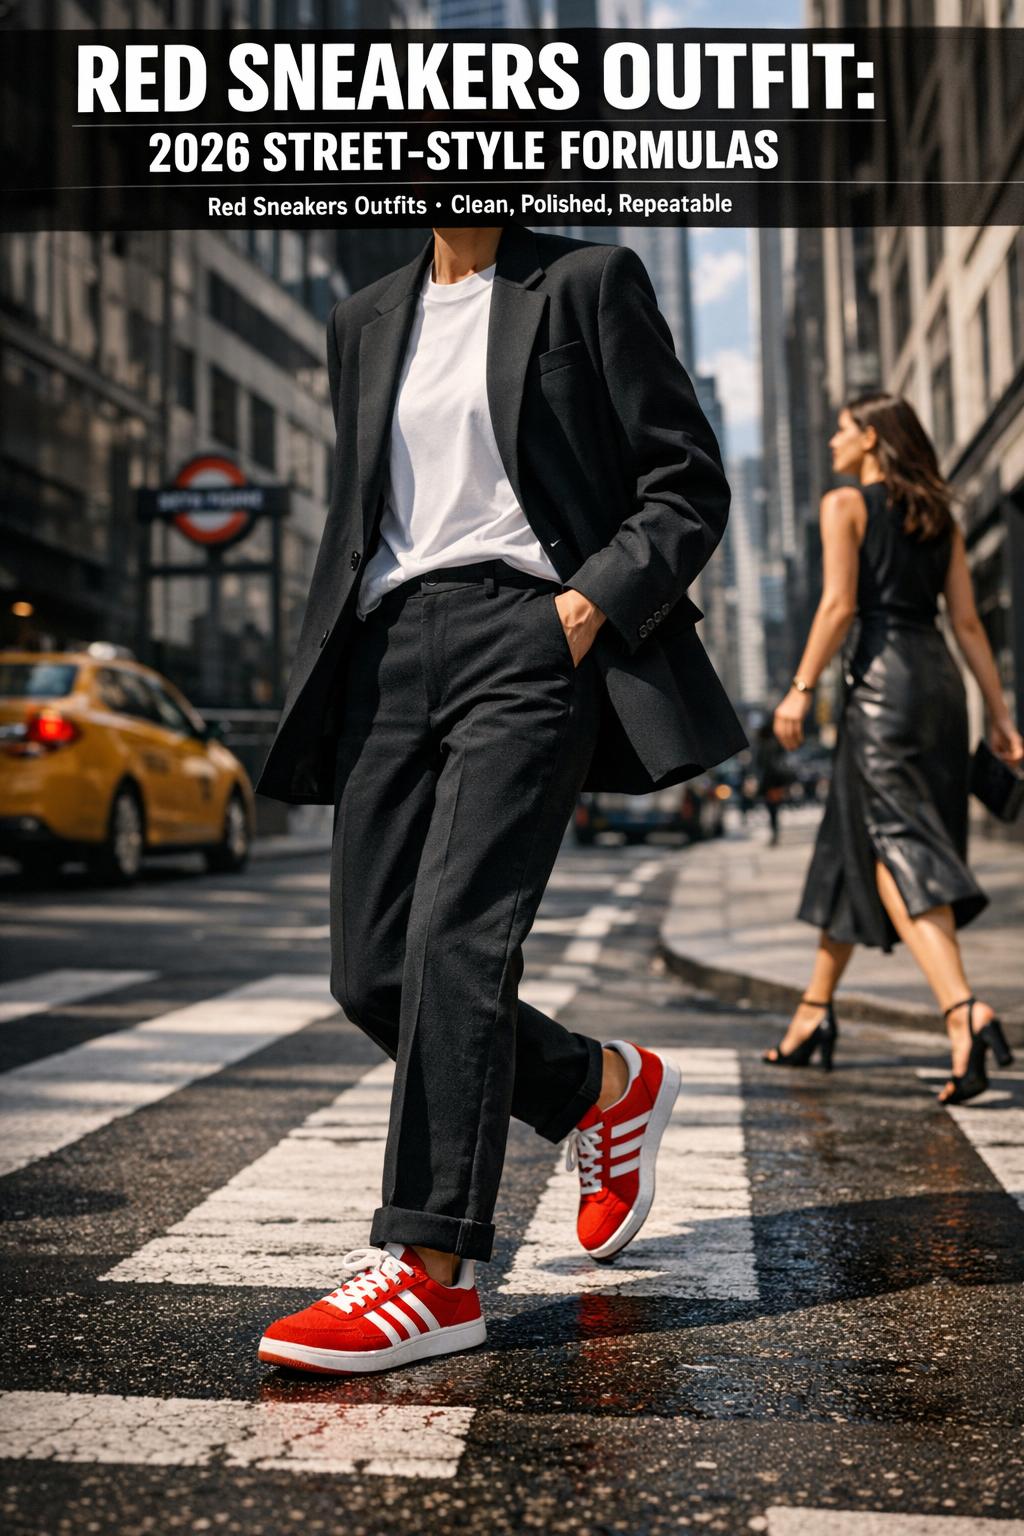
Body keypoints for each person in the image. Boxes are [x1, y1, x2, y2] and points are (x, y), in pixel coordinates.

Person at [253, 223, 746, 1375]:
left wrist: (580, 612)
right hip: (386, 649)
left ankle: (432, 1271)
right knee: (371, 971)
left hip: (527, 637)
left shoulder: (584, 280)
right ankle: (603, 1088)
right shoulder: (361, 318)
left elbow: (685, 482)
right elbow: (361, 515)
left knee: (455, 944)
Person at [765, 392, 1022, 1102]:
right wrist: (998, 717)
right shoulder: (940, 515)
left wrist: (799, 686)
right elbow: (968, 623)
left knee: (892, 846)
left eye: (842, 431)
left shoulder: (844, 504)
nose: (833, 444)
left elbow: (839, 606)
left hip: (880, 690)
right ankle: (813, 1014)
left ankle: (964, 1010)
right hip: (939, 687)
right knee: (851, 845)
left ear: (872, 439)